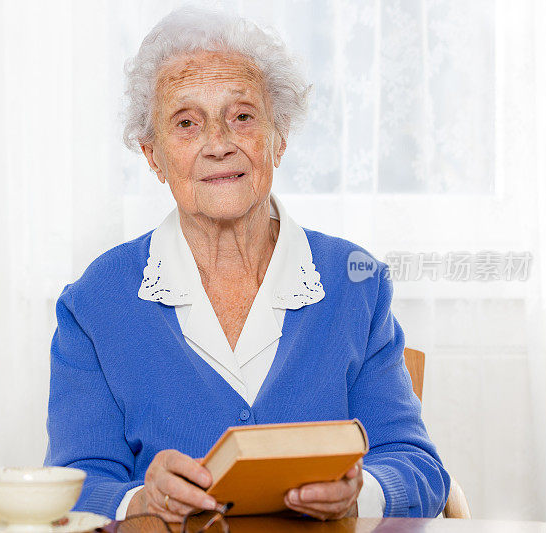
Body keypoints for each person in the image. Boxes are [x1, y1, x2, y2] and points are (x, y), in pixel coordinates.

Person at [44, 5, 449, 522]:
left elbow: (418, 466)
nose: (218, 144)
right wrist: (142, 500)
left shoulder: (356, 283)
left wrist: (361, 491)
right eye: (187, 123)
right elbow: (75, 483)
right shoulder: (95, 303)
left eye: (242, 116)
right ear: (152, 155)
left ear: (278, 139)